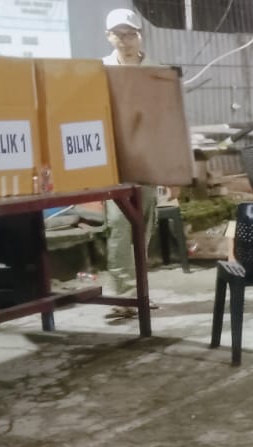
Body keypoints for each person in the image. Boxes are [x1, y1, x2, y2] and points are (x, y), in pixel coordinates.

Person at [99, 8, 157, 316]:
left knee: (142, 229)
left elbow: (167, 118)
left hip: (148, 160)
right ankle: (120, 296)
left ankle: (139, 294)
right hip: (114, 161)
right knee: (119, 226)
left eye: (130, 34)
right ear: (108, 37)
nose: (125, 40)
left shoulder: (155, 71)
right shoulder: (100, 70)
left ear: (139, 36)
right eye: (118, 34)